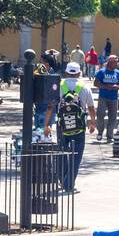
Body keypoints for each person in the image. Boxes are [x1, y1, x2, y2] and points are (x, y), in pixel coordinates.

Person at [50, 62, 96, 192]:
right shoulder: (84, 87)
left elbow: (51, 105)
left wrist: (47, 124)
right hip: (79, 127)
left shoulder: (59, 85)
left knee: (61, 152)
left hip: (62, 126)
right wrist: (92, 123)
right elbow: (91, 107)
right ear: (79, 73)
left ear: (66, 72)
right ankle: (68, 184)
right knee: (76, 156)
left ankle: (63, 180)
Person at [93, 55, 119, 144]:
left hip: (114, 98)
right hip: (103, 97)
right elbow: (95, 83)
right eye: (115, 62)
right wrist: (105, 86)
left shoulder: (118, 73)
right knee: (100, 115)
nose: (117, 64)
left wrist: (117, 87)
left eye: (117, 62)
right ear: (110, 62)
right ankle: (100, 131)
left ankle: (109, 136)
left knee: (113, 117)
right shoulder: (102, 72)